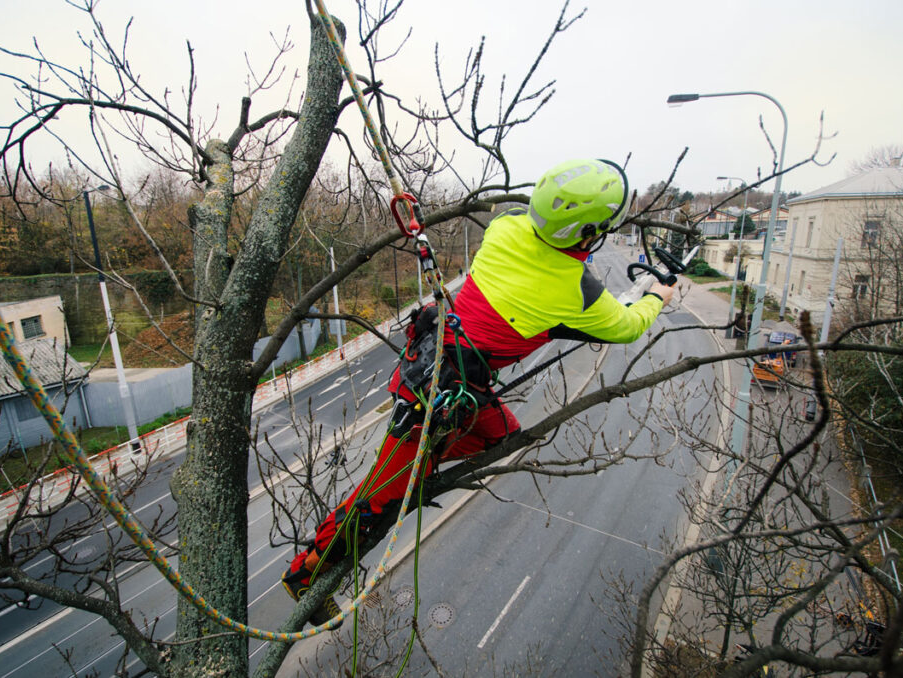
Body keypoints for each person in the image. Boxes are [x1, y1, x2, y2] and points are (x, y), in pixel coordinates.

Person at [282, 158, 676, 627]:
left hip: (444, 368)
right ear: (588, 232)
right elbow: (626, 325)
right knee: (377, 498)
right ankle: (304, 574)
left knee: (501, 434)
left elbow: (555, 279)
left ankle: (420, 467)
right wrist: (657, 296)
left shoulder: (507, 226)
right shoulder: (577, 293)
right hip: (436, 391)